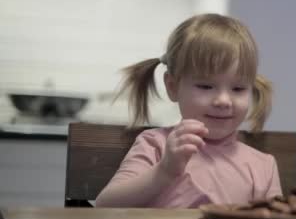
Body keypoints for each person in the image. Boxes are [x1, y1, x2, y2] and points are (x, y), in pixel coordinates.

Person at [96, 14, 282, 208]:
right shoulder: (156, 145)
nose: (223, 101)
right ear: (173, 87)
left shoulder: (264, 166)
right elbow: (105, 206)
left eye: (238, 89)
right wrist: (164, 171)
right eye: (205, 86)